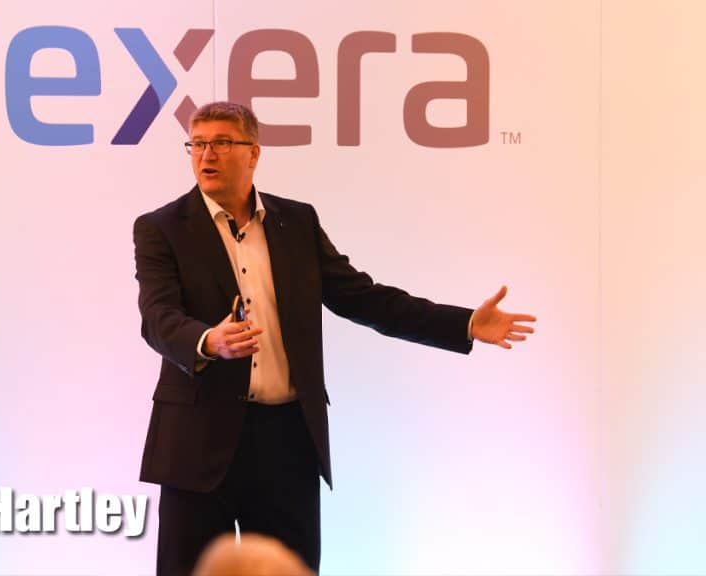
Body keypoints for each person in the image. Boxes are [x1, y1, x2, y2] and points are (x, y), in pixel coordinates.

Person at [132, 101, 535, 574]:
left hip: (286, 440)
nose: (207, 155)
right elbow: (157, 316)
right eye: (197, 144)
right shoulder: (161, 228)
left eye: (221, 142)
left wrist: (463, 323)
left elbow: (363, 298)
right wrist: (208, 340)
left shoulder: (296, 222)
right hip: (197, 440)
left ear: (254, 152)